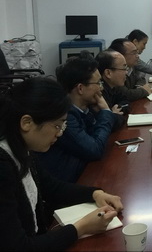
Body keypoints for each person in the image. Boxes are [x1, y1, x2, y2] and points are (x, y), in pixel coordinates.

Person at [0, 77, 124, 251]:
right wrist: (80, 228)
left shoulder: (23, 149)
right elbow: (18, 247)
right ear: (27, 123)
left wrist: (95, 194)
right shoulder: (3, 165)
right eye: (57, 126)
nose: (59, 134)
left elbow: (52, 188)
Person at [37, 54, 124, 182]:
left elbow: (116, 123)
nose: (101, 87)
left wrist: (106, 114)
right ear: (80, 88)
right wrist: (106, 111)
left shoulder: (88, 107)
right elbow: (94, 150)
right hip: (70, 183)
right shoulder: (64, 116)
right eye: (98, 83)